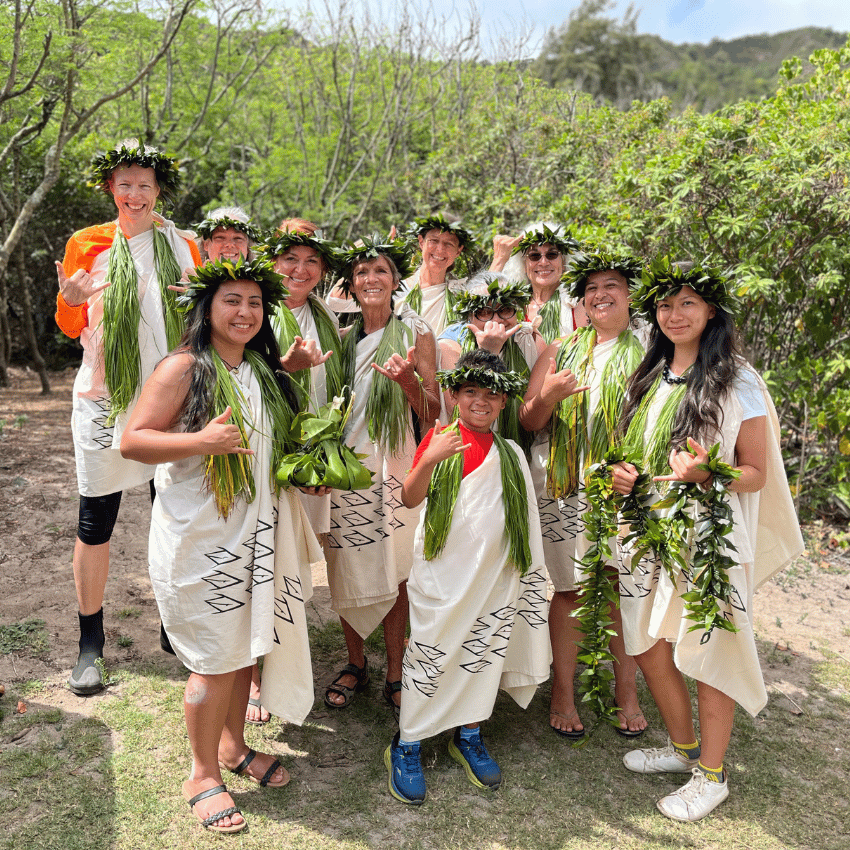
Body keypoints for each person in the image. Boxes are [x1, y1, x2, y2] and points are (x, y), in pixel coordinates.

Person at [120, 257, 326, 834]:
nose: (245, 312)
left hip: (257, 531)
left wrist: (309, 469)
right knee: (213, 660)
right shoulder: (183, 367)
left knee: (243, 647)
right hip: (201, 538)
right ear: (207, 308)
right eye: (232, 300)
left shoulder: (263, 371)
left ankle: (234, 748)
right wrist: (201, 439)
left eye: (255, 303)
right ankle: (202, 773)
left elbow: (271, 448)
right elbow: (133, 442)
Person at [610, 259, 803, 822]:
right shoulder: (649, 374)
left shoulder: (738, 379)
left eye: (687, 303)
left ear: (711, 310)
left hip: (709, 535)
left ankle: (712, 775)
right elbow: (645, 457)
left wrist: (705, 474)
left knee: (709, 649)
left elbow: (757, 473)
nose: (674, 314)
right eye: (665, 305)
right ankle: (684, 748)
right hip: (645, 530)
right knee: (646, 644)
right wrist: (629, 476)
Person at [54, 139, 201, 695]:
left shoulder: (183, 244)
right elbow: (69, 325)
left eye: (144, 184)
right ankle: (90, 640)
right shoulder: (87, 243)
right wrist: (70, 298)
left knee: (176, 513)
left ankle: (175, 625)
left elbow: (203, 320)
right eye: (124, 184)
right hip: (102, 398)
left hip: (170, 400)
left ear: (158, 189)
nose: (134, 194)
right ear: (109, 188)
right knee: (96, 521)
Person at [384, 350, 551, 804]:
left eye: (491, 394)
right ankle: (409, 742)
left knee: (482, 655)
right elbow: (409, 498)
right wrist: (429, 458)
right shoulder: (440, 438)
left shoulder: (511, 453)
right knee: (431, 653)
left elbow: (523, 526)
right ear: (454, 395)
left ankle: (470, 733)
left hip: (493, 582)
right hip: (443, 578)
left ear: (504, 403)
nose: (480, 401)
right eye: (470, 391)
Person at [520, 251, 647, 739]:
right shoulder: (562, 350)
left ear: (630, 293)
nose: (600, 295)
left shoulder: (650, 353)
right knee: (570, 589)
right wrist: (549, 396)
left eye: (611, 285)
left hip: (623, 488)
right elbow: (530, 420)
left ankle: (627, 691)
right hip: (563, 485)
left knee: (620, 587)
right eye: (592, 288)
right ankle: (564, 692)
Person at [324, 237, 441, 720]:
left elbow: (435, 412)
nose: (371, 279)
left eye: (381, 271)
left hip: (396, 462)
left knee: (396, 568)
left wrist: (409, 383)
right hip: (346, 467)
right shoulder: (341, 338)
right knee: (346, 562)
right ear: (350, 285)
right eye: (362, 272)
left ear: (396, 281)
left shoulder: (417, 335)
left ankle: (396, 669)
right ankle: (356, 662)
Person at [238, 224, 341, 724]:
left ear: (323, 272)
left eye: (311, 262)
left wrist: (323, 458)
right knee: (266, 563)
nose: (300, 270)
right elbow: (249, 377)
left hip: (312, 455)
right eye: (290, 259)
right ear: (273, 262)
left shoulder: (328, 317)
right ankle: (256, 675)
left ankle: (288, 658)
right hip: (268, 457)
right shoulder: (258, 310)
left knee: (299, 566)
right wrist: (289, 366)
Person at [438, 271, 545, 454]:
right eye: (484, 312)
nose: (496, 320)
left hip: (519, 452)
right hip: (467, 451)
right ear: (469, 317)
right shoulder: (449, 347)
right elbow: (458, 412)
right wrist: (489, 352)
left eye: (504, 310)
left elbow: (533, 415)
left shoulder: (531, 341)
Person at [490, 222, 586, 341]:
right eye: (534, 256)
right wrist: (499, 260)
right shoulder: (512, 304)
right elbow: (481, 310)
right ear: (524, 265)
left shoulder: (577, 303)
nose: (543, 262)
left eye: (552, 254)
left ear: (564, 261)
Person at [397, 214, 476, 336]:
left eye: (449, 244)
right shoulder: (397, 288)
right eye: (434, 241)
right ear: (421, 242)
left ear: (458, 251)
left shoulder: (461, 295)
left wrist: (499, 259)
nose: (440, 249)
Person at [194, 206, 260, 262]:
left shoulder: (264, 276)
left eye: (238, 238)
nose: (230, 245)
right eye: (220, 238)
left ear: (248, 247)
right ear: (206, 244)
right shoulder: (193, 275)